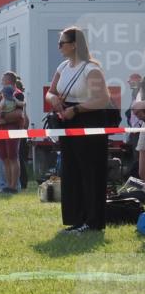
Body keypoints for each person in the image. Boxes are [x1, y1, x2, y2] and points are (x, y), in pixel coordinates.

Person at [46, 26, 112, 233]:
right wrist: (54, 99)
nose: (59, 47)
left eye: (62, 43)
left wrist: (77, 109)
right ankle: (77, 219)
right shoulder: (63, 67)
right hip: (68, 121)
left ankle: (92, 221)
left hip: (89, 121)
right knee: (72, 171)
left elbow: (102, 99)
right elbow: (50, 92)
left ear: (74, 45)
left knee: (90, 172)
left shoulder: (91, 69)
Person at [0, 72, 25, 194]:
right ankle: (7, 185)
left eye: (3, 79)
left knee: (12, 157)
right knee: (4, 157)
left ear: (9, 80)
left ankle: (13, 186)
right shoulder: (2, 94)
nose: (1, 81)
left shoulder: (18, 94)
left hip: (12, 128)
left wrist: (3, 117)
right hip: (1, 129)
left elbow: (18, 114)